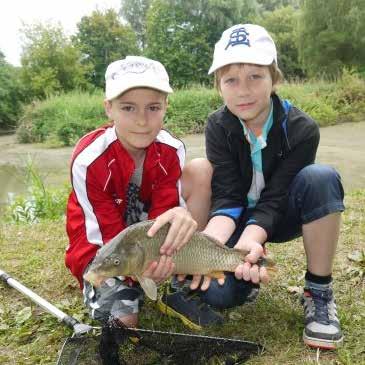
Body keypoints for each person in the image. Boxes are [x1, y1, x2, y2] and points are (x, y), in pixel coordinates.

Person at [158, 24, 345, 350]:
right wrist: (209, 250)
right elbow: (228, 196)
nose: (243, 90)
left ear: (275, 78)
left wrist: (247, 244)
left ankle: (318, 291)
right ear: (218, 86)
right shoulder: (218, 125)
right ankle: (245, 274)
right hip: (236, 219)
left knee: (321, 178)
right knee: (221, 294)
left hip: (281, 214)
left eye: (255, 77)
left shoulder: (303, 129)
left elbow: (274, 199)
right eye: (231, 80)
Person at [64, 56, 219, 331]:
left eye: (153, 107)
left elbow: (160, 219)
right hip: (101, 244)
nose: (142, 120)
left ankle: (173, 280)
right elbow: (108, 241)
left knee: (200, 170)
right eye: (128, 108)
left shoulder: (171, 150)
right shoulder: (88, 161)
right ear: (108, 109)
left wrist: (161, 259)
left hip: (144, 239)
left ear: (166, 107)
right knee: (124, 322)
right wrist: (139, 270)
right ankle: (118, 287)